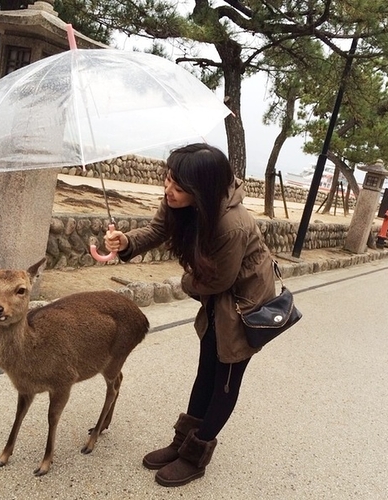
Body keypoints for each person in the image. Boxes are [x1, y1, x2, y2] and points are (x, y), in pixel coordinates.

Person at [104, 143, 277, 487]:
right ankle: (182, 442)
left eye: (179, 188)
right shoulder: (183, 198)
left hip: (244, 305)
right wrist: (126, 242)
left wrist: (185, 280)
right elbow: (157, 230)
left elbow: (216, 281)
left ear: (202, 190)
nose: (169, 191)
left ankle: (195, 457)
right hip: (216, 299)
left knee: (224, 381)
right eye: (168, 180)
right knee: (205, 370)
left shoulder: (232, 225)